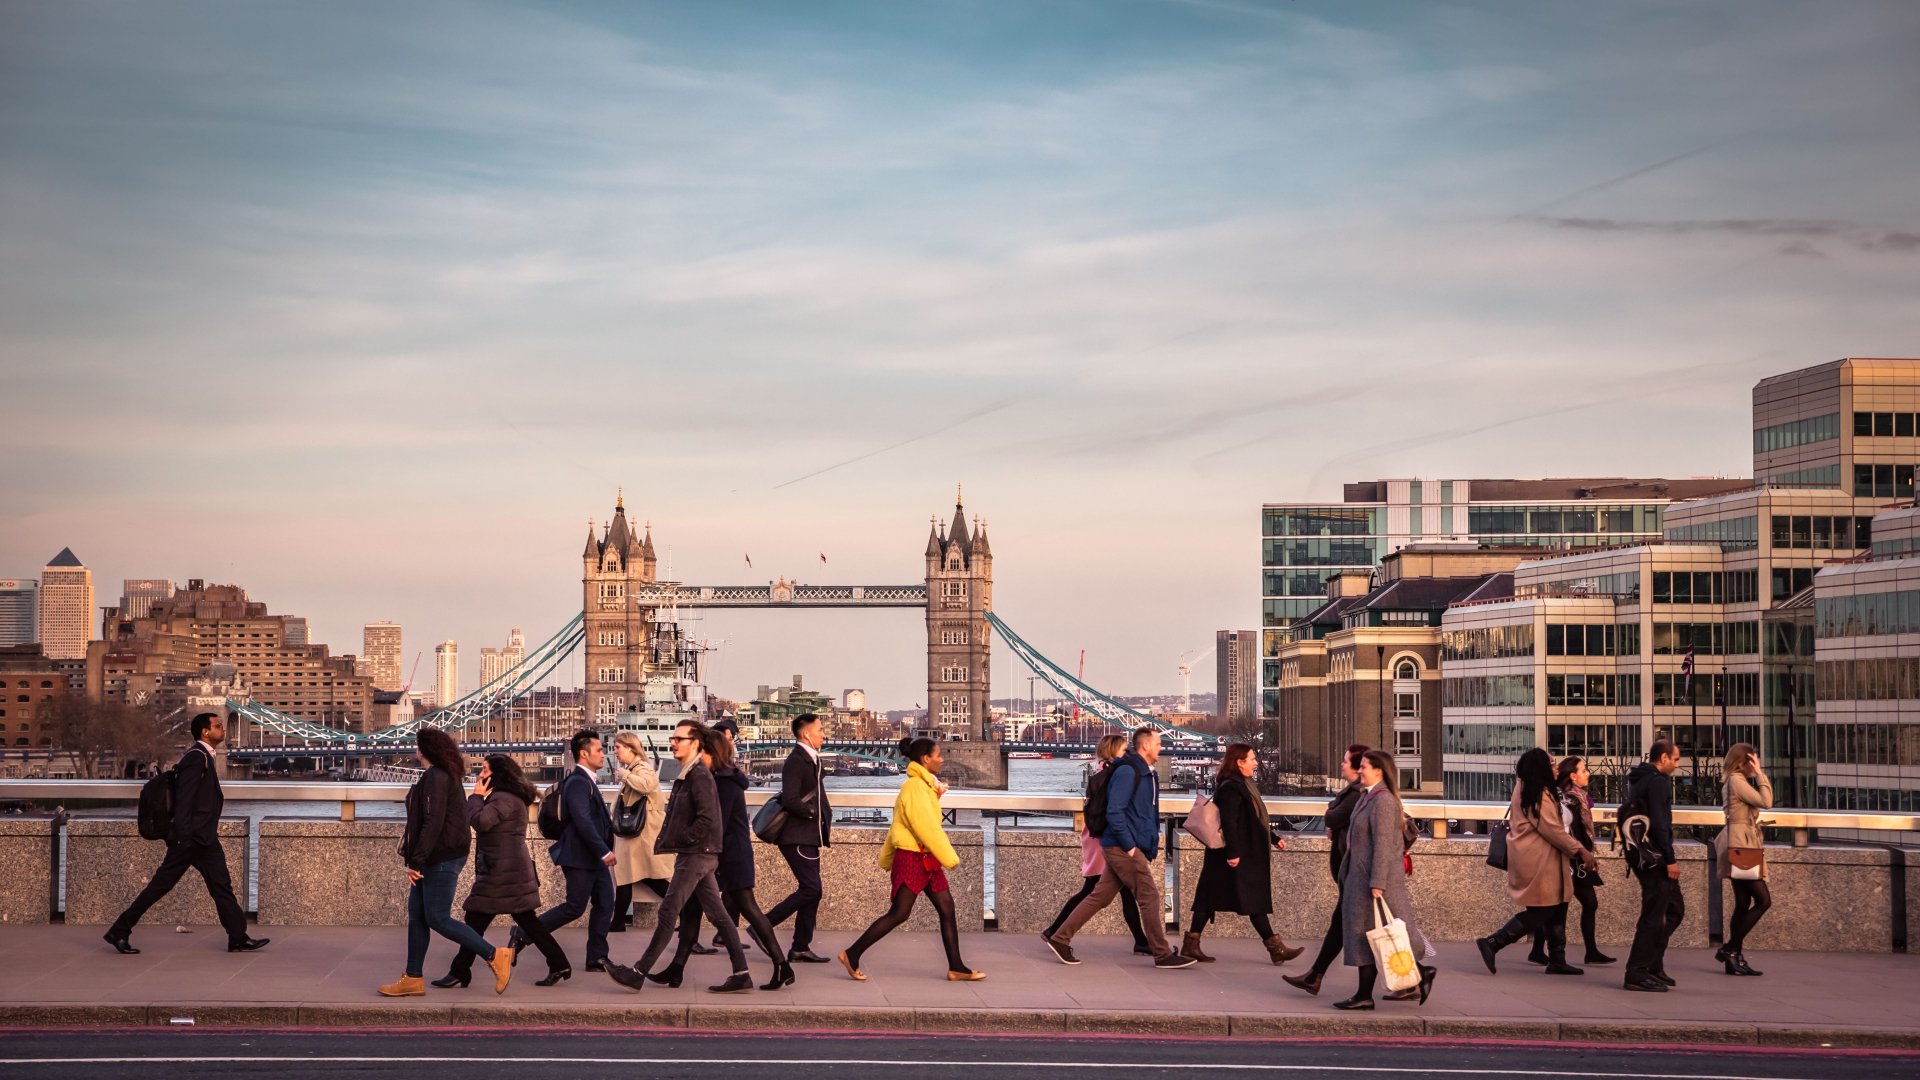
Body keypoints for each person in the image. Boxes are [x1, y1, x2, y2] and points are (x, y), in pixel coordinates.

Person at [605, 720, 754, 994]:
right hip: (700, 854)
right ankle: (742, 972)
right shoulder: (691, 772)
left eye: (678, 738)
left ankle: (638, 972)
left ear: (695, 742)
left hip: (696, 854)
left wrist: (684, 840)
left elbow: (708, 818)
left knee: (667, 912)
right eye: (672, 738)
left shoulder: (699, 774)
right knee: (719, 916)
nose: (672, 742)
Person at [105, 712, 269, 955]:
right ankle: (119, 930)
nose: (223, 729)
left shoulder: (205, 757)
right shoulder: (196, 758)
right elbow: (184, 800)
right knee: (159, 887)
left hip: (204, 839)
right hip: (190, 838)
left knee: (221, 886)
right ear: (205, 732)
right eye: (218, 725)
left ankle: (237, 936)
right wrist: (181, 837)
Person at [654, 725, 793, 991]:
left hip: (730, 856)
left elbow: (717, 823)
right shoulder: (718, 779)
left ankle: (780, 965)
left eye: (701, 750)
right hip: (718, 854)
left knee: (749, 909)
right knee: (691, 910)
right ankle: (676, 968)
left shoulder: (723, 783)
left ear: (709, 752)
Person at [1044, 727, 1195, 969]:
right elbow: (1115, 811)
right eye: (1158, 743)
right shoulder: (1128, 772)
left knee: (1099, 897)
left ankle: (1059, 938)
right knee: (1149, 897)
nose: (1161, 748)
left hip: (1125, 844)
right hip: (1123, 846)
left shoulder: (1146, 773)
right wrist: (1130, 846)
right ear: (1145, 746)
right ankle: (1162, 953)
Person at [838, 736, 983, 981]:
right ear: (926, 759)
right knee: (899, 913)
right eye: (938, 755)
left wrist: (936, 795)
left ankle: (956, 966)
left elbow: (907, 822)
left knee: (947, 908)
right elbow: (926, 826)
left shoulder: (924, 786)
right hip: (914, 858)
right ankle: (852, 954)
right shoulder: (915, 787)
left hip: (925, 857)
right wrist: (950, 857)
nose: (942, 759)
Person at [379, 727, 510, 997]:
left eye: (417, 745)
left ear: (424, 749)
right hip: (436, 855)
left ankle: (495, 955)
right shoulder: (441, 775)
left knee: (437, 918)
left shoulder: (436, 777)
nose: (415, 750)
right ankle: (413, 977)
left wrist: (416, 861)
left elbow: (433, 821)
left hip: (440, 857)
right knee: (417, 916)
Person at [433, 755, 569, 989]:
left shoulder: (502, 798)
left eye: (485, 770)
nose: (480, 774)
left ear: (498, 774)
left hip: (501, 871)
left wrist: (475, 797)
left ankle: (460, 971)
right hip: (506, 869)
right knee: (521, 921)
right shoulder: (508, 797)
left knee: (476, 918)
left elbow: (481, 822)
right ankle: (558, 963)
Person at [1475, 747, 1597, 977]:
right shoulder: (1537, 793)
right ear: (1541, 767)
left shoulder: (1532, 788)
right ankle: (1493, 942)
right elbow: (1553, 830)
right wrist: (1581, 850)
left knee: (1559, 904)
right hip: (1539, 859)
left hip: (1547, 858)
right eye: (1551, 764)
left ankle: (1557, 959)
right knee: (1543, 909)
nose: (1556, 767)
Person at [1183, 742, 1303, 965]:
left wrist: (1274, 838)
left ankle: (1192, 945)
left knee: (1214, 898)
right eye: (1252, 759)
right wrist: (1233, 853)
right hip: (1233, 854)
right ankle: (1276, 949)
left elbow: (1252, 821)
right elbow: (1230, 822)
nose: (1256, 763)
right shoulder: (1231, 787)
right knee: (1243, 898)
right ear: (1239, 762)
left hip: (1234, 852)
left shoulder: (1241, 784)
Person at [1334, 750, 1436, 1010]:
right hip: (1361, 879)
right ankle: (1368, 993)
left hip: (1373, 883)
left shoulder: (1383, 801)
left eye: (1365, 767)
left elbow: (1383, 845)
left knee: (1374, 937)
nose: (1360, 771)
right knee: (1369, 938)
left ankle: (1367, 994)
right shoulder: (1369, 797)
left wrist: (1377, 882)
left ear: (1379, 770)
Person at [512, 729, 615, 974]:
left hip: (593, 857)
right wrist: (603, 850)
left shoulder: (586, 780)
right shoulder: (578, 782)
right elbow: (582, 820)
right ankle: (523, 933)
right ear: (583, 753)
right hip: (581, 856)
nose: (603, 754)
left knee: (605, 903)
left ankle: (597, 957)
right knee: (574, 907)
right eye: (599, 750)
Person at [1042, 734, 1151, 955]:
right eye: (1123, 750)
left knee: (1117, 891)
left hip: (1097, 836)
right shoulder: (1114, 775)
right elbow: (1115, 810)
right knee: (1096, 890)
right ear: (1114, 752)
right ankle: (1055, 932)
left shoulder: (1102, 774)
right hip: (1106, 839)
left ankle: (1141, 940)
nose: (1127, 753)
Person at [1283, 744, 1368, 996]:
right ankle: (1315, 976)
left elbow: (1331, 816)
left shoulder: (1356, 795)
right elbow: (1335, 816)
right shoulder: (1353, 793)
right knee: (1349, 926)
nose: (1341, 765)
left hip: (1357, 873)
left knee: (1350, 926)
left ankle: (1416, 976)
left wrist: (1333, 818)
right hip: (1349, 871)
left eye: (1346, 762)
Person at [1527, 756, 1613, 967]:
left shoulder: (1577, 798)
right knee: (1557, 907)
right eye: (1583, 771)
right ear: (1573, 776)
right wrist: (1584, 853)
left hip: (1576, 857)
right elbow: (1567, 831)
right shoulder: (1570, 799)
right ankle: (1550, 952)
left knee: (1560, 906)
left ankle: (1543, 950)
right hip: (1572, 859)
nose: (1588, 774)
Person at [763, 712, 833, 964]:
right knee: (811, 889)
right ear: (806, 734)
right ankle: (763, 925)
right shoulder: (796, 761)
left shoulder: (811, 759)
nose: (823, 734)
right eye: (820, 730)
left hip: (809, 836)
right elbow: (791, 799)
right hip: (798, 836)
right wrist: (812, 812)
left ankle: (800, 946)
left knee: (813, 891)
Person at [1623, 738, 1684, 993]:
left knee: (1673, 909)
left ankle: (1652, 965)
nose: (1677, 765)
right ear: (1663, 759)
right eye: (1676, 759)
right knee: (1653, 915)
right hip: (1656, 858)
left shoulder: (1640, 779)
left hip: (1643, 857)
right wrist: (1670, 858)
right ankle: (1636, 971)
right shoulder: (1657, 781)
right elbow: (1659, 823)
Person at [1716, 742, 1773, 977]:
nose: (1756, 765)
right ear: (1744, 762)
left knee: (1742, 903)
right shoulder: (1737, 781)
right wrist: (1760, 775)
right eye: (1753, 760)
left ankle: (1734, 957)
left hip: (1739, 842)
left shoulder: (1733, 780)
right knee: (1763, 900)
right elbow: (1766, 801)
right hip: (1742, 845)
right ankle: (1730, 948)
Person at [609, 731, 672, 933]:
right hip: (637, 834)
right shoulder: (635, 768)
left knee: (635, 875)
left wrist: (626, 775)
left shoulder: (642, 768)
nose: (615, 751)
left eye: (618, 747)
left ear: (630, 748)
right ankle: (617, 921)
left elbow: (647, 785)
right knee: (629, 875)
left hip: (642, 834)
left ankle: (684, 907)